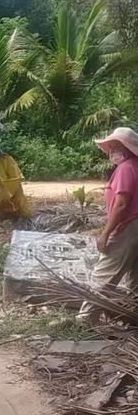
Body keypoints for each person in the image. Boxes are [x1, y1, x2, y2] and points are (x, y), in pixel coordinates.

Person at [78, 127, 138, 323]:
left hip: (127, 227)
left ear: (127, 148)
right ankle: (133, 317)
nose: (111, 151)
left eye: (115, 146)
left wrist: (106, 233)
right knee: (135, 276)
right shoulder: (135, 166)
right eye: (110, 147)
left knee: (104, 274)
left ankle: (86, 320)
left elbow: (121, 205)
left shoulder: (126, 168)